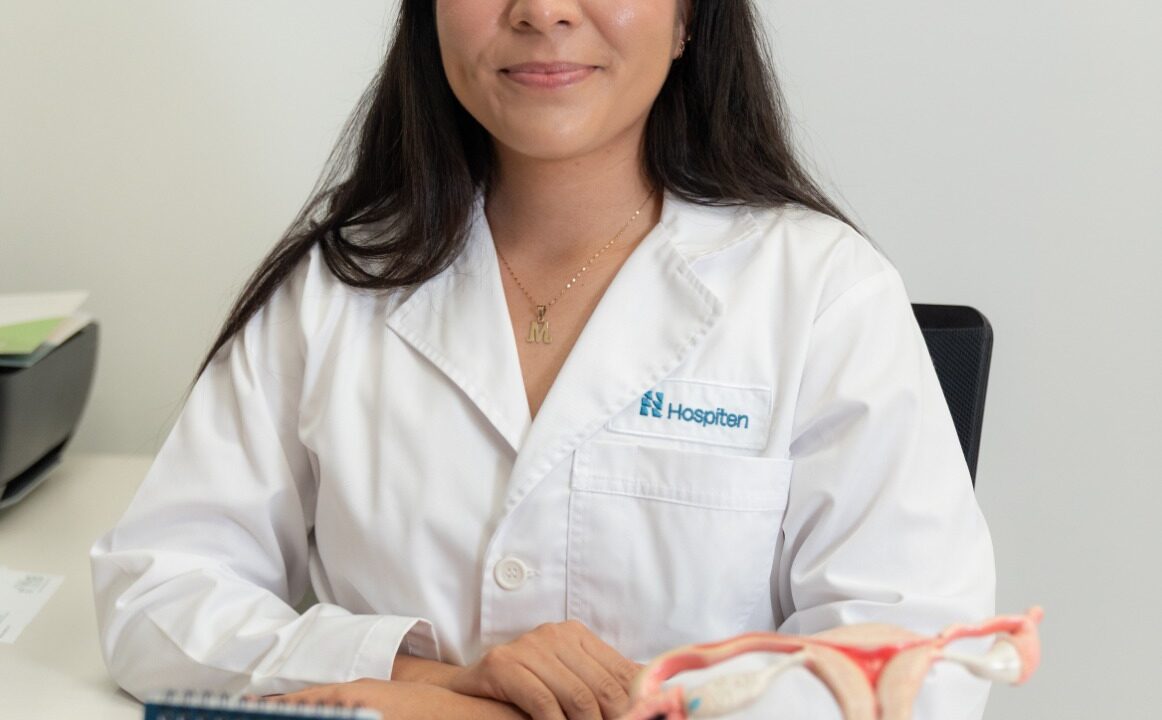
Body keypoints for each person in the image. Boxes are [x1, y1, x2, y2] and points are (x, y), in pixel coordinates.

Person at [91, 1, 995, 718]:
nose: (543, 10)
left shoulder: (824, 290)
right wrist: (427, 681)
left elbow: (915, 659)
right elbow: (155, 594)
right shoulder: (337, 285)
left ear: (689, 16)